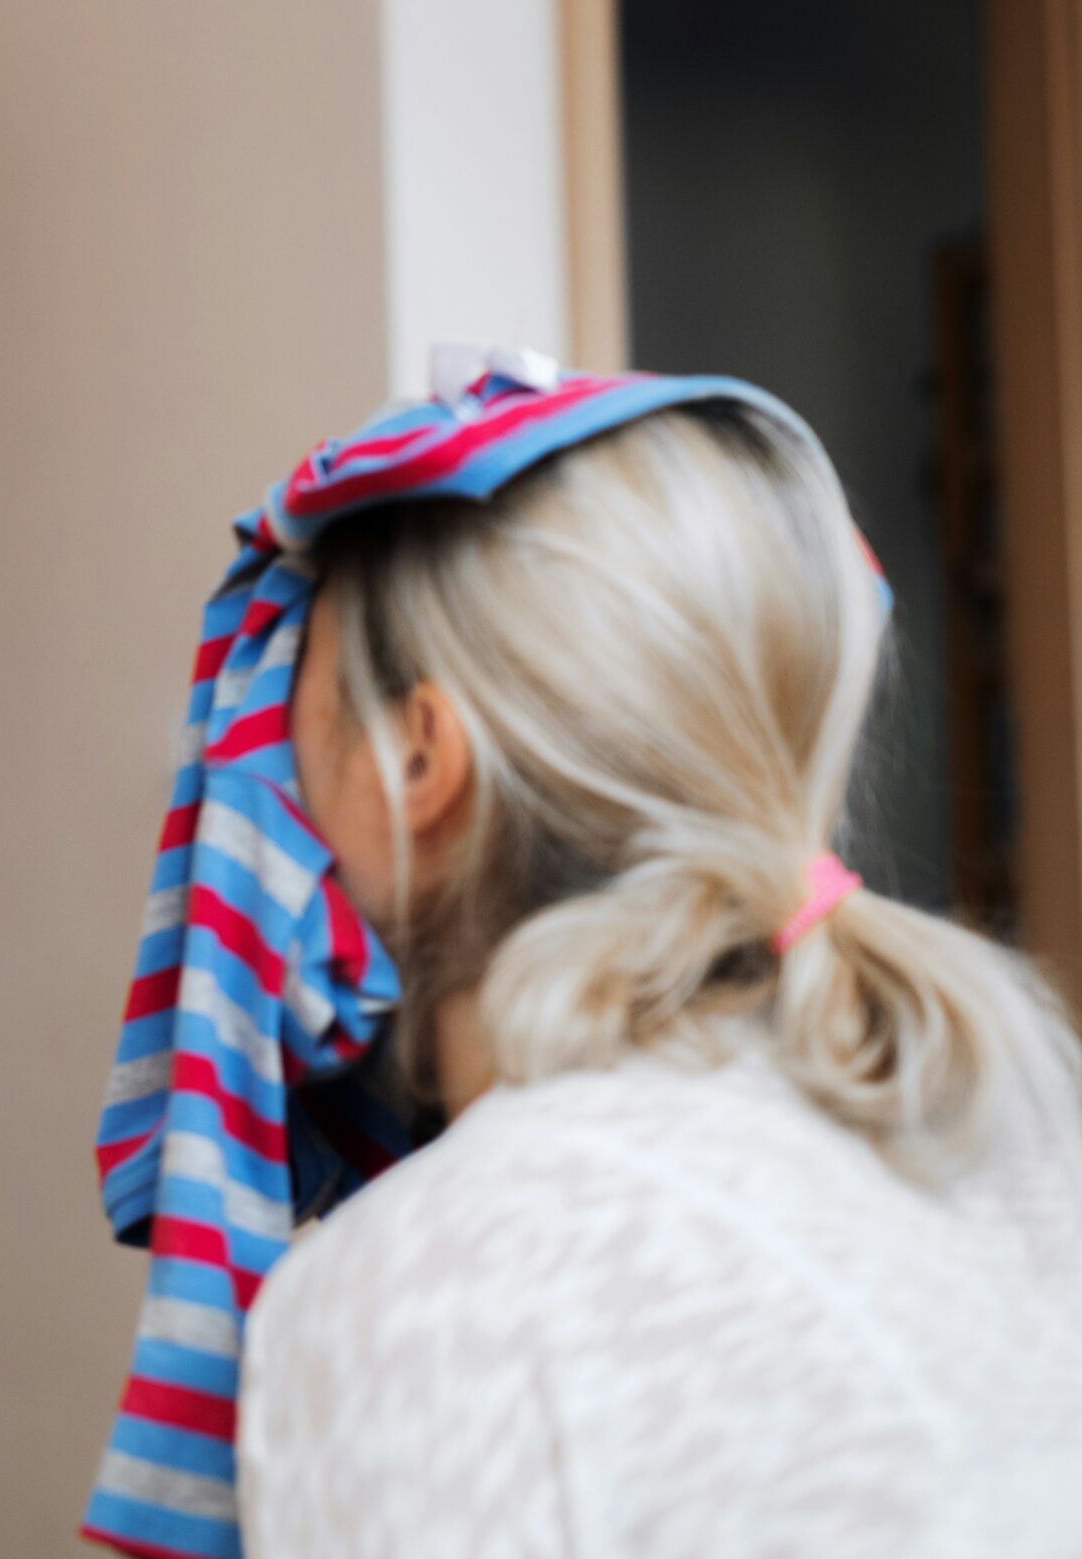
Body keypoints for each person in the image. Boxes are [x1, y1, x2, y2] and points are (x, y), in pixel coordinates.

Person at [87, 358, 1082, 1559]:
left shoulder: (426, 1288)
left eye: (280, 693)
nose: (243, 756)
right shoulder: (1023, 1147)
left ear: (420, 759)